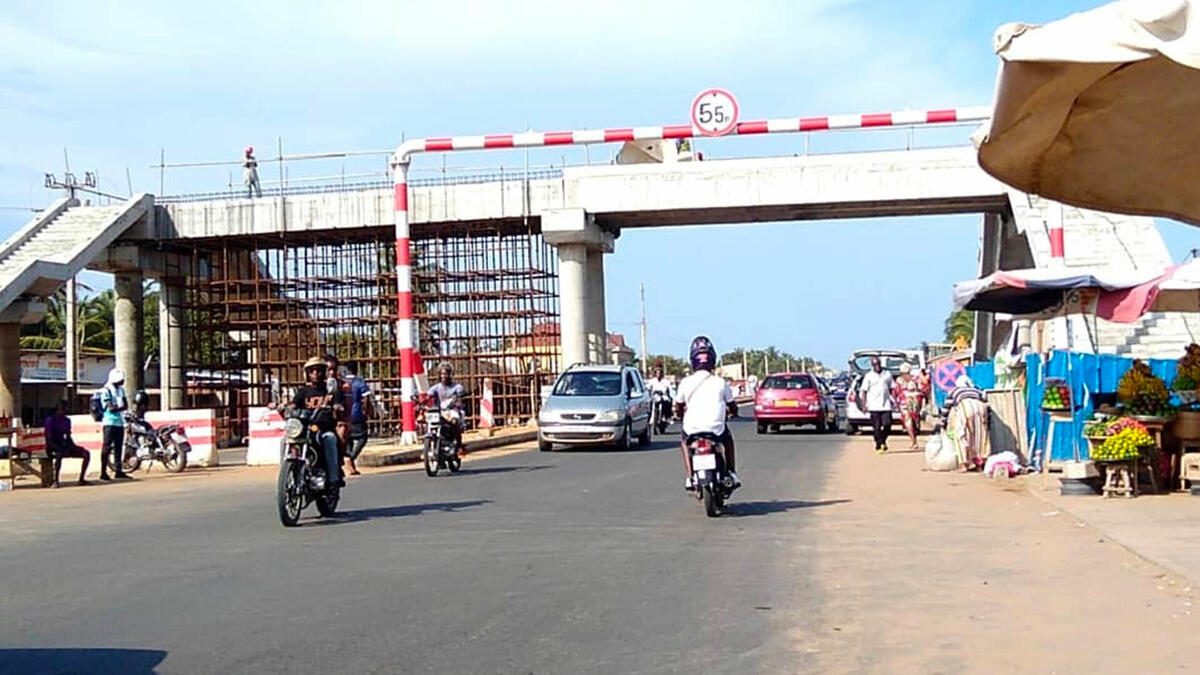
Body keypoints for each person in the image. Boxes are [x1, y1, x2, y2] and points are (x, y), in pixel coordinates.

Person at [674, 335, 740, 491]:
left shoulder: (685, 383)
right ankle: (731, 472)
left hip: (692, 429)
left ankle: (690, 477)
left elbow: (678, 406)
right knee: (728, 441)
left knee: (684, 442)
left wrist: (679, 416)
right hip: (716, 429)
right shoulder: (720, 382)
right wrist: (733, 413)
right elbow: (732, 405)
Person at [290, 356, 343, 488]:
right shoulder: (303, 392)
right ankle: (288, 472)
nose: (315, 374)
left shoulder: (330, 391)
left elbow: (338, 404)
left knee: (329, 439)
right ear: (306, 374)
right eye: (312, 371)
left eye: (319, 370)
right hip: (304, 428)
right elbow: (293, 405)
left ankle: (333, 479)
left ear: (324, 372)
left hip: (323, 428)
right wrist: (283, 406)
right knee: (285, 439)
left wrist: (336, 406)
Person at [946, 375, 989, 471]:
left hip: (965, 407)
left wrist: (943, 422)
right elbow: (985, 401)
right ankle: (979, 464)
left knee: (960, 435)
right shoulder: (977, 390)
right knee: (980, 436)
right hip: (980, 407)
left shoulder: (954, 391)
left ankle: (963, 464)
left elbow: (947, 407)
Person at [44, 401, 90, 488]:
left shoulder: (67, 420)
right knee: (59, 454)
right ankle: (56, 480)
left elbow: (68, 436)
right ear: (58, 410)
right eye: (63, 409)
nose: (65, 411)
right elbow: (49, 439)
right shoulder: (50, 420)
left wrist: (72, 446)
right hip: (52, 446)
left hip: (63, 444)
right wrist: (58, 447)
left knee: (86, 453)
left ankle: (81, 479)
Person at [856, 356, 896, 454]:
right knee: (876, 427)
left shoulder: (887, 374)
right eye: (874, 364)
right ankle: (879, 445)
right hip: (874, 406)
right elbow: (864, 391)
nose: (877, 366)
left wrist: (894, 400)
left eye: (878, 363)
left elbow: (892, 388)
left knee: (887, 424)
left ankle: (882, 440)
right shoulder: (869, 376)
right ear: (872, 365)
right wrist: (864, 404)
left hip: (886, 405)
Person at [427, 364, 467, 453]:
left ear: (450, 375)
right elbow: (428, 395)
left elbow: (461, 394)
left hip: (452, 410)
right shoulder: (436, 387)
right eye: (442, 374)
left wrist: (458, 399)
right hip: (439, 411)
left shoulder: (456, 387)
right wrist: (422, 401)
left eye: (446, 374)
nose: (444, 376)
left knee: (455, 421)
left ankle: (459, 446)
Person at [99, 368, 131, 481]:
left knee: (118, 447)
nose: (122, 382)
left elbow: (124, 405)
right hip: (109, 422)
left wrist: (119, 408)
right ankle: (103, 472)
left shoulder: (120, 390)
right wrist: (120, 407)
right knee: (106, 447)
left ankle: (118, 470)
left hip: (119, 422)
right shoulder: (106, 390)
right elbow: (111, 408)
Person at [344, 362, 372, 476]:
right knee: (362, 437)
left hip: (344, 415)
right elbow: (366, 399)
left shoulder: (343, 383)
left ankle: (351, 466)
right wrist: (367, 412)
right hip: (357, 414)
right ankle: (350, 457)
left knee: (348, 438)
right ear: (357, 369)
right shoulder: (360, 383)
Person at [896, 363, 924, 450]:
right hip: (916, 400)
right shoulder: (915, 379)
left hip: (905, 400)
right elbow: (923, 388)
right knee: (913, 418)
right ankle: (914, 439)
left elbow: (896, 391)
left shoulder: (899, 380)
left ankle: (913, 441)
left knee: (908, 420)